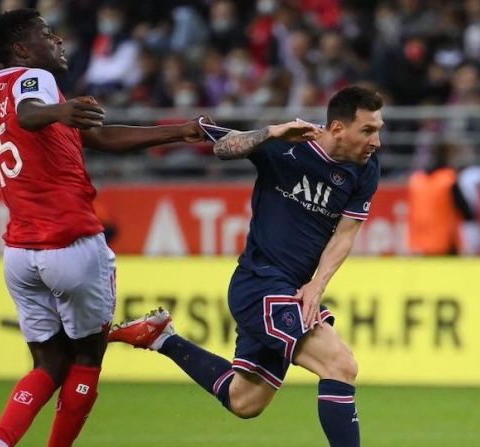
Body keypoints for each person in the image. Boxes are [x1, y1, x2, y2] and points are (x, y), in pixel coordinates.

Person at [0, 9, 209, 447]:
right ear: (22, 49)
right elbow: (30, 114)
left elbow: (101, 137)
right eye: (46, 34)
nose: (58, 40)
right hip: (70, 241)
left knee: (48, 364)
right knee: (87, 355)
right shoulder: (34, 80)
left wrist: (179, 131)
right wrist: (61, 108)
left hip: (21, 252)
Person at [109, 86, 384, 447]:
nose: (376, 141)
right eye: (367, 130)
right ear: (336, 128)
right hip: (260, 285)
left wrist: (318, 284)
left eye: (378, 128)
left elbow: (345, 235)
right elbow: (223, 148)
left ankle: (162, 337)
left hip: (290, 288)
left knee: (245, 401)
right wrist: (270, 132)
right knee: (340, 365)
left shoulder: (364, 169)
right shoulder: (288, 146)